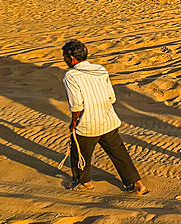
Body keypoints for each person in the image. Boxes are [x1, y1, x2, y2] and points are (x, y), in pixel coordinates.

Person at [61, 39, 148, 194]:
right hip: (109, 120)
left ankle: (84, 182)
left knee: (79, 153)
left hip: (87, 125)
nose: (64, 60)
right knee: (119, 153)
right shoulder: (100, 69)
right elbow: (111, 97)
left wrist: (74, 123)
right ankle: (136, 183)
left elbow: (76, 105)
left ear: (72, 58)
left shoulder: (71, 76)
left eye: (64, 57)